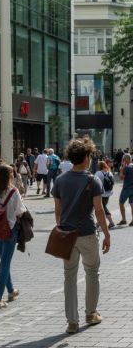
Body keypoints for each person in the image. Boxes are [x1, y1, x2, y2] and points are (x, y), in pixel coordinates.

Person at [51, 137, 110, 334]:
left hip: (67, 234)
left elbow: (58, 212)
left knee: (69, 276)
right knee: (92, 272)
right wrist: (107, 233)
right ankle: (91, 313)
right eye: (90, 155)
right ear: (85, 157)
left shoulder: (60, 180)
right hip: (87, 233)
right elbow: (99, 210)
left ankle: (72, 321)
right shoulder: (92, 180)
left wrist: (61, 229)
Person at [0, 165, 27, 309]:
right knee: (5, 264)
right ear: (9, 176)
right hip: (10, 231)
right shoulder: (14, 192)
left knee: (3, 262)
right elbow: (20, 212)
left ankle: (11, 290)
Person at [95, 161, 115, 229]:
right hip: (109, 192)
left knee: (103, 207)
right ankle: (99, 223)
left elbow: (94, 181)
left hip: (102, 193)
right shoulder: (109, 172)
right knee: (103, 206)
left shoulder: (98, 173)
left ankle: (111, 222)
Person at [118, 153, 133, 226]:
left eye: (123, 159)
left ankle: (124, 219)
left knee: (121, 203)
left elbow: (121, 178)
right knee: (132, 204)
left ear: (126, 159)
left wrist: (121, 169)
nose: (123, 160)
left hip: (126, 188)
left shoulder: (126, 168)